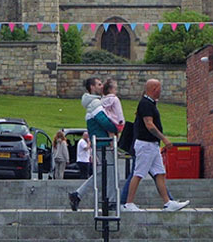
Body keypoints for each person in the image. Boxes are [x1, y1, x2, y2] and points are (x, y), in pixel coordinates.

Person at [122, 79, 189, 212]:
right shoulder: (146, 104)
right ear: (154, 89)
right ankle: (128, 203)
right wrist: (164, 138)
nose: (161, 91)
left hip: (152, 145)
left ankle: (168, 202)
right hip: (145, 145)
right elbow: (149, 124)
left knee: (159, 173)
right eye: (159, 88)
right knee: (138, 173)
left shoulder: (150, 103)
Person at [69, 77, 118, 211]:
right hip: (103, 144)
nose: (102, 86)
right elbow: (103, 121)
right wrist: (117, 128)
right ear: (92, 87)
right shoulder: (95, 103)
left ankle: (78, 195)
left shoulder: (93, 103)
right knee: (110, 172)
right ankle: (111, 201)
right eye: (99, 84)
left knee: (102, 172)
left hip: (100, 143)